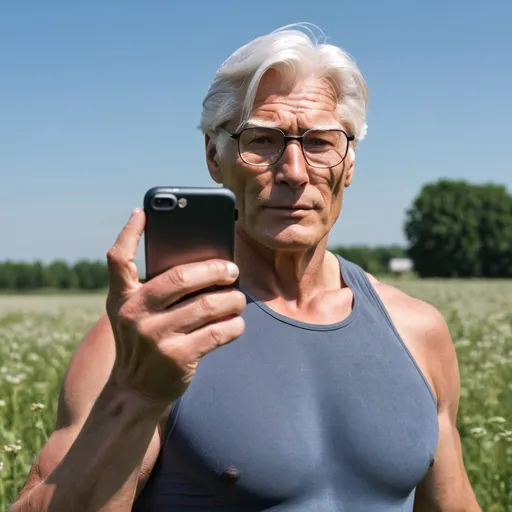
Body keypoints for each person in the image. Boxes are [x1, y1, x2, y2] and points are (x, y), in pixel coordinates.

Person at [11, 24, 481, 512]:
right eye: (262, 140)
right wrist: (134, 394)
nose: (294, 172)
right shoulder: (144, 339)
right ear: (215, 156)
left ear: (350, 163)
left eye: (320, 142)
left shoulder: (418, 331)